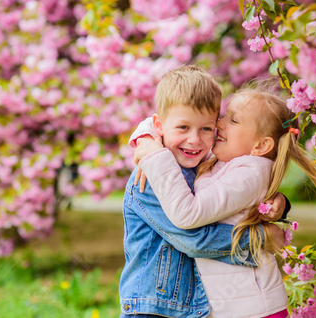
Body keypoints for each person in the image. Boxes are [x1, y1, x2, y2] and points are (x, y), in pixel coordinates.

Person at [133, 82, 316, 317]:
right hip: (230, 305)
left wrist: (156, 157)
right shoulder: (227, 160)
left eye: (233, 120)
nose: (219, 124)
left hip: (252, 309)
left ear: (260, 145)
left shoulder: (250, 172)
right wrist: (146, 139)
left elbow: (187, 214)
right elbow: (172, 117)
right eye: (224, 116)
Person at [119, 66, 287, 318]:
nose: (195, 140)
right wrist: (260, 237)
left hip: (191, 307)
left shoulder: (203, 162)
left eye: (206, 129)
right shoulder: (150, 178)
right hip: (152, 307)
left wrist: (280, 202)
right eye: (183, 128)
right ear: (160, 126)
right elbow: (194, 241)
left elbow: (240, 187)